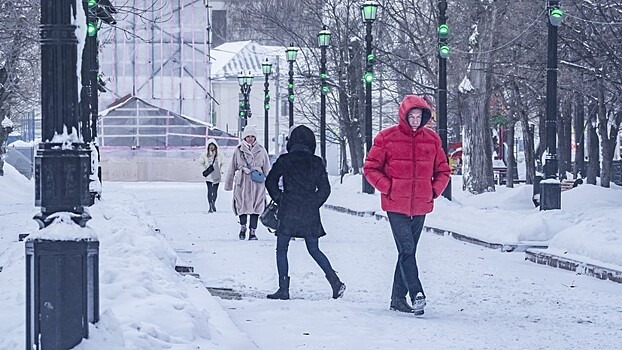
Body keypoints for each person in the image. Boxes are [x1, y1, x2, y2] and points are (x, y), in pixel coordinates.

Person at [363, 95, 450, 315]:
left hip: (421, 204)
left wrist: (433, 191)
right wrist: (389, 188)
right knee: (407, 249)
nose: (414, 120)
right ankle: (416, 293)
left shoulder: (432, 140)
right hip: (395, 205)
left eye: (418, 116)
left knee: (406, 252)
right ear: (403, 115)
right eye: (411, 115)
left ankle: (397, 299)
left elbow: (443, 170)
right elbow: (370, 168)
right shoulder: (386, 137)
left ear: (424, 117)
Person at [264, 125, 346, 300]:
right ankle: (335, 282)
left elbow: (270, 181)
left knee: (282, 249)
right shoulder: (316, 162)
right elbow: (325, 189)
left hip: (288, 209)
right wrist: (313, 203)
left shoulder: (284, 160)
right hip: (309, 211)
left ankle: (283, 288)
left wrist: (280, 199)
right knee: (314, 249)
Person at [224, 125, 270, 240]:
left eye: (252, 136)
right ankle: (243, 227)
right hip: (242, 182)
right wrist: (228, 184)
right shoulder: (238, 150)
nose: (250, 139)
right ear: (244, 137)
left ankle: (253, 231)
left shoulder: (261, 149)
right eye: (248, 136)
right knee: (241, 205)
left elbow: (267, 168)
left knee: (256, 207)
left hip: (257, 183)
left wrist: (270, 185)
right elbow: (232, 167)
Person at [198, 138, 224, 213]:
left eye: (213, 145)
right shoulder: (204, 155)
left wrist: (222, 171)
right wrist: (204, 171)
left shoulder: (219, 154)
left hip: (217, 174)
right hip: (209, 175)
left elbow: (223, 163)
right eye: (210, 145)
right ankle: (210, 205)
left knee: (215, 191)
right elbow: (200, 163)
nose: (212, 147)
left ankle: (213, 203)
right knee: (210, 190)